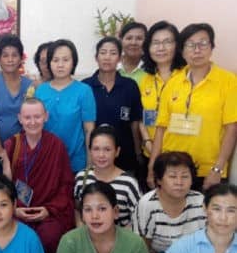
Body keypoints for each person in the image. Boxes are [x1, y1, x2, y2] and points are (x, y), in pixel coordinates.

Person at [3, 98, 74, 253]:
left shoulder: (56, 145)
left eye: (37, 116)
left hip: (48, 211)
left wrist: (48, 210)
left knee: (49, 238)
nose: (32, 122)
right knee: (14, 240)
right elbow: (1, 187)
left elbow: (65, 185)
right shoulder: (11, 145)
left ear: (46, 117)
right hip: (16, 211)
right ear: (20, 119)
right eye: (27, 117)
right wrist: (13, 209)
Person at [148, 23, 237, 191]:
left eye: (203, 43)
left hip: (208, 170)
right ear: (182, 50)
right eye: (190, 44)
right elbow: (160, 129)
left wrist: (217, 168)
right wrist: (152, 166)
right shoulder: (173, 82)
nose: (197, 50)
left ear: (212, 47)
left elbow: (232, 129)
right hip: (171, 169)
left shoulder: (228, 82)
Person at [82, 37, 143, 173]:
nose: (107, 57)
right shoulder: (85, 86)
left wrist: (138, 151)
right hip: (95, 157)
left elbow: (134, 122)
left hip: (125, 155)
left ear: (120, 58)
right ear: (96, 57)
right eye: (103, 53)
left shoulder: (130, 86)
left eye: (113, 53)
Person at [35, 39, 96, 173]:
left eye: (65, 60)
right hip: (46, 161)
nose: (60, 65)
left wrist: (90, 165)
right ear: (49, 63)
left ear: (73, 62)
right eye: (55, 60)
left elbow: (89, 130)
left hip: (76, 163)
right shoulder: (40, 91)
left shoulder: (84, 91)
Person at [74, 125, 140, 228]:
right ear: (90, 150)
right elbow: (77, 208)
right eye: (96, 149)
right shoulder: (81, 178)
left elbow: (138, 217)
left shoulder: (129, 183)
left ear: (117, 151)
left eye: (107, 149)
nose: (101, 155)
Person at [139, 21, 186, 163]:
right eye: (155, 43)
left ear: (177, 46)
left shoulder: (186, 77)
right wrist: (147, 141)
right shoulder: (145, 79)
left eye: (167, 42)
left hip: (181, 155)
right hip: (150, 152)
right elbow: (140, 115)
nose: (161, 48)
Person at [0, 35, 33, 159]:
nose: (10, 60)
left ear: (21, 58)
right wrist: (0, 151)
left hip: (25, 149)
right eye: (5, 55)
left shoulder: (29, 85)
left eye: (14, 55)